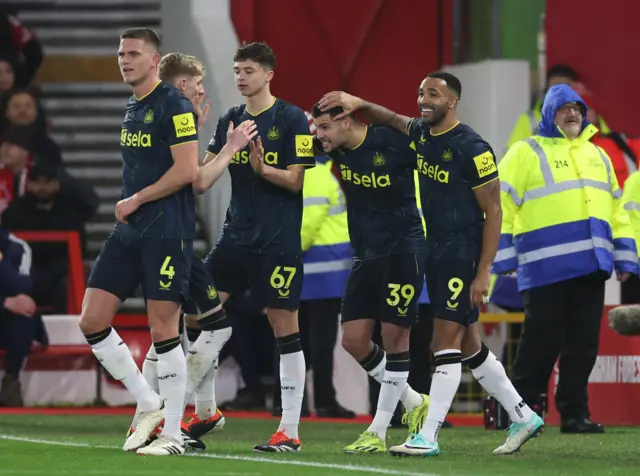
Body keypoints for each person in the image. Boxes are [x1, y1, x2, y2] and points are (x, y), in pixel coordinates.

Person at [318, 72, 542, 457]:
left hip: (462, 250)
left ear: (453, 101)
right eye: (421, 92)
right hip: (435, 249)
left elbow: (494, 210)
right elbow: (392, 119)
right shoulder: (421, 134)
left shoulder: (474, 147)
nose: (424, 99)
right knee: (470, 345)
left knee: (444, 342)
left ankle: (429, 435)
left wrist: (484, 269)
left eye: (433, 93)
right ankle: (522, 415)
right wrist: (361, 103)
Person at [79, 28, 200, 456]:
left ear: (154, 59)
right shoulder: (134, 105)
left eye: (133, 53)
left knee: (163, 329)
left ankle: (172, 434)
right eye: (120, 53)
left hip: (166, 228)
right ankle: (148, 402)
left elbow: (188, 171)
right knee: (92, 320)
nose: (124, 60)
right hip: (131, 229)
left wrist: (137, 198)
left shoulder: (174, 104)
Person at [126, 52, 257, 446]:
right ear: (182, 85)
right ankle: (162, 416)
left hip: (166, 235)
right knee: (181, 331)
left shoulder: (155, 111)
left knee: (184, 328)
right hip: (171, 237)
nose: (202, 91)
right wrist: (230, 149)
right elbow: (197, 181)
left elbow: (184, 173)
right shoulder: (172, 109)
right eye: (197, 85)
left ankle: (199, 412)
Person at [495, 84, 639, 434]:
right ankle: (518, 412)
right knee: (540, 344)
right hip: (543, 266)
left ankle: (575, 415)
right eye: (563, 108)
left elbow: (617, 210)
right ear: (548, 113)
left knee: (583, 346)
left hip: (591, 266)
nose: (573, 113)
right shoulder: (524, 152)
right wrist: (503, 257)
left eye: (577, 107)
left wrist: (625, 258)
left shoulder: (598, 156)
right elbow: (501, 205)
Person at [194, 42, 315, 452]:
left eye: (248, 70)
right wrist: (228, 151)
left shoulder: (293, 117)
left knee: (285, 329)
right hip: (234, 238)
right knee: (196, 312)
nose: (241, 77)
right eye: (236, 70)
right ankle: (206, 410)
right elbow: (202, 177)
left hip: (277, 241)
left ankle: (290, 430)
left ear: (268, 74)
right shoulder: (230, 120)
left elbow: (297, 180)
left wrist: (263, 167)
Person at [311, 104, 429, 455]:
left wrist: (360, 100)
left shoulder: (390, 142)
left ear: (347, 120)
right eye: (317, 128)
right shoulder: (334, 147)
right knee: (353, 340)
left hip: (404, 250)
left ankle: (377, 432)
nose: (319, 135)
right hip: (366, 255)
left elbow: (420, 133)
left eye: (324, 127)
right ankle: (412, 400)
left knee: (395, 337)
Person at [273, 154, 355, 419]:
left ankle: (286, 401)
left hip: (310, 272)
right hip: (322, 274)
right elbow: (307, 224)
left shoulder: (304, 173)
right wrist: (294, 253)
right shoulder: (319, 175)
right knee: (318, 343)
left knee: (293, 341)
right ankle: (323, 401)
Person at [506, 64, 610, 151]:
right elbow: (513, 156)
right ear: (546, 90)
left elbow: (608, 148)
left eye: (566, 88)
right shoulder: (530, 120)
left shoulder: (591, 117)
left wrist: (593, 124)